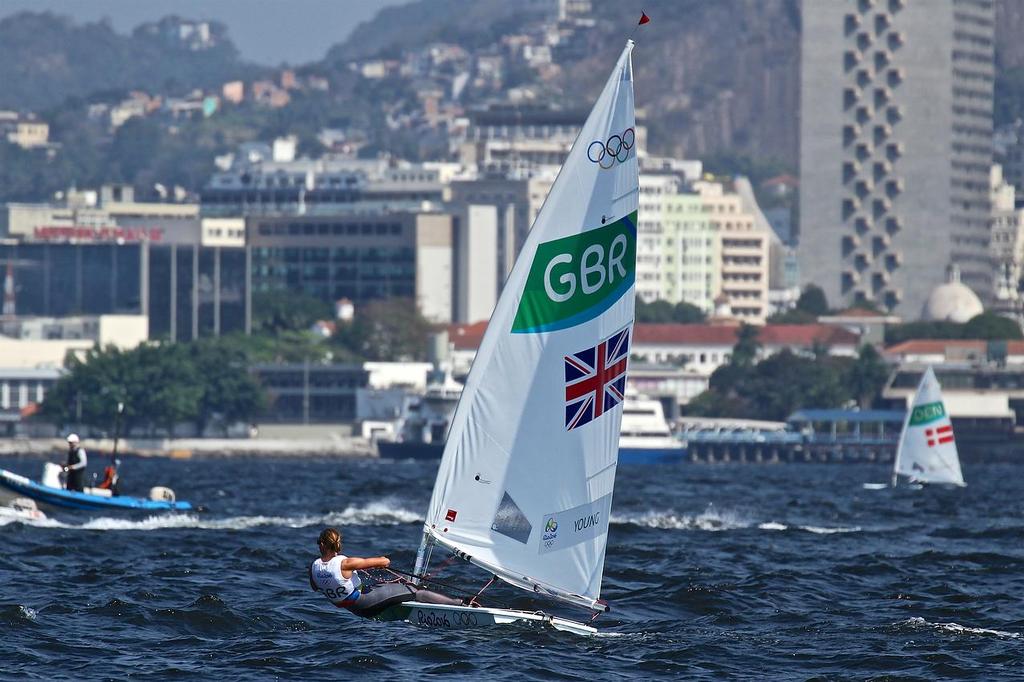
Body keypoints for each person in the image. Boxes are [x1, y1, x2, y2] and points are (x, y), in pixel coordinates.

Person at [309, 527, 465, 619]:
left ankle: (399, 597)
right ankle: (461, 604)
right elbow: (385, 562)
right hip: (366, 604)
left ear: (322, 544)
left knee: (393, 583)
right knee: (415, 591)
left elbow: (316, 587)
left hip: (353, 609)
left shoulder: (314, 567)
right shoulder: (346, 563)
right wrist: (377, 562)